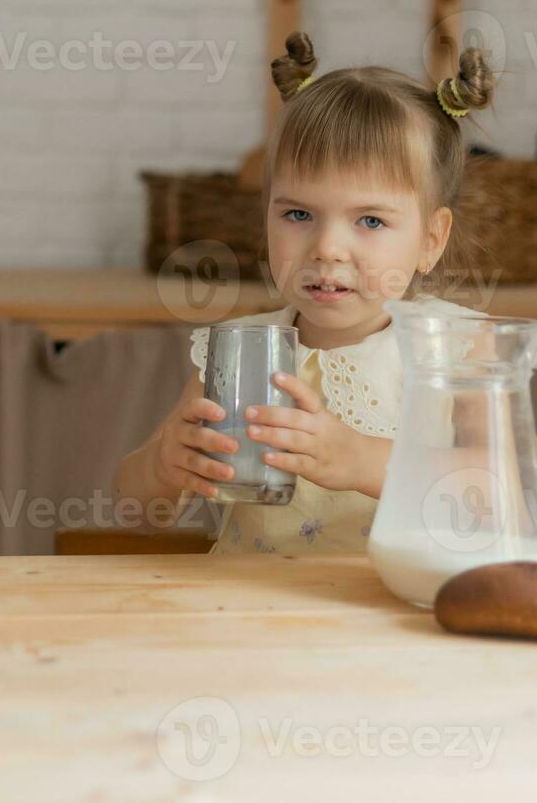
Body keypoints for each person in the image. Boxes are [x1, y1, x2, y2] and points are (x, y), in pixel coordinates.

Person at [115, 31, 500, 555]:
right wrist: (163, 469)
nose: (327, 248)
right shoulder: (241, 350)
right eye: (298, 214)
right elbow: (138, 514)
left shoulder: (457, 347)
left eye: (369, 219)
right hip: (251, 618)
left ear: (431, 240)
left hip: (394, 622)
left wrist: (362, 461)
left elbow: (513, 497)